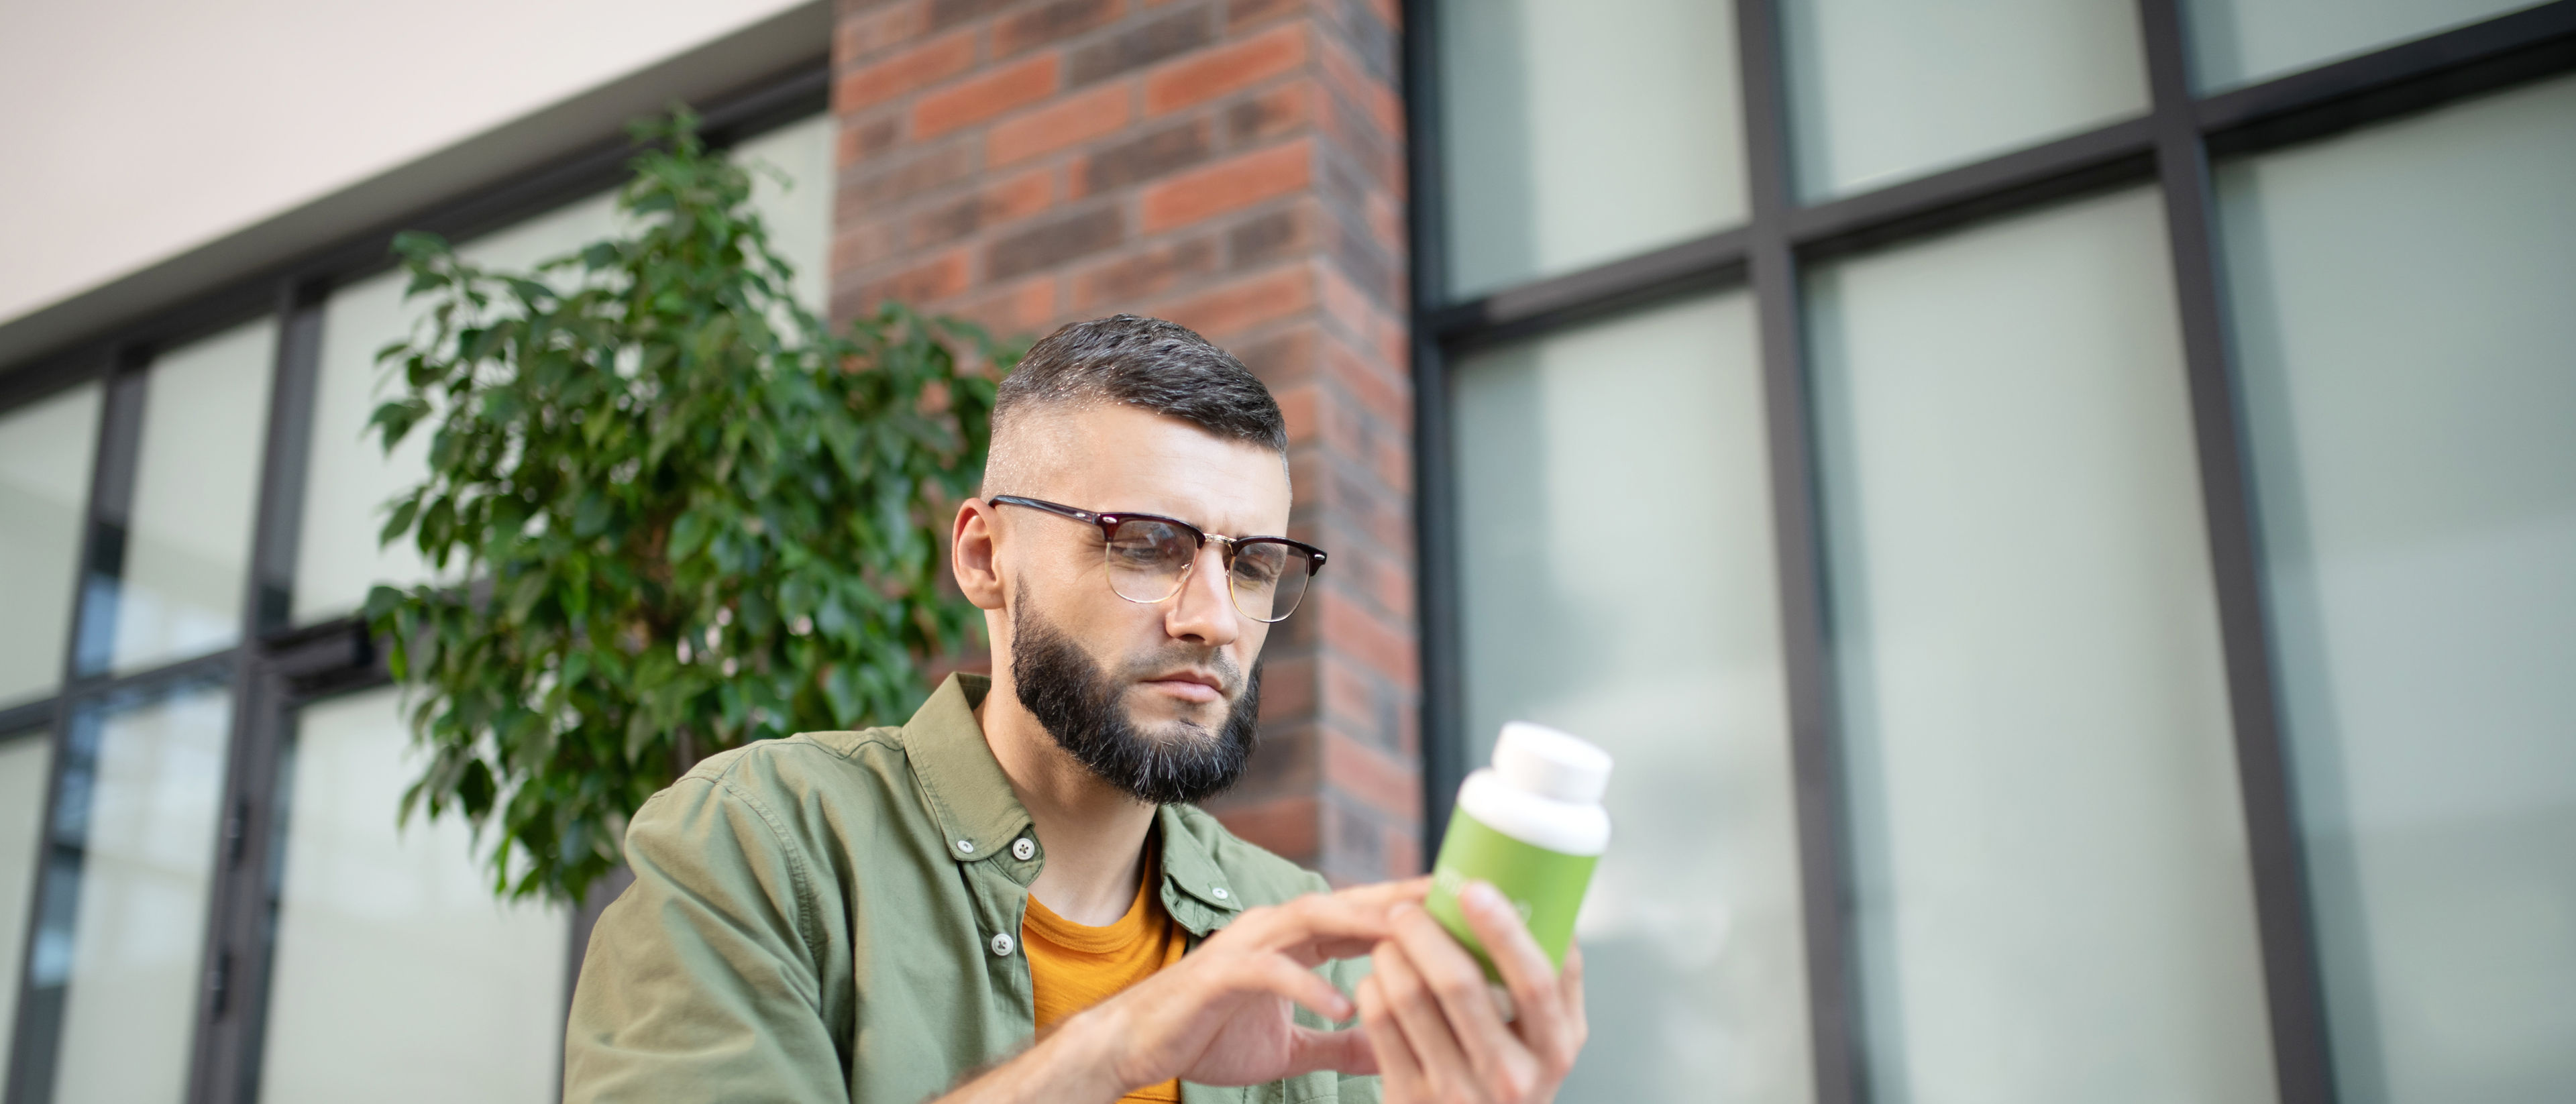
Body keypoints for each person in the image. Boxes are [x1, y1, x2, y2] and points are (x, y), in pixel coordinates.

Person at [563, 315, 1588, 1103]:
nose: (1215, 620)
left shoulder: (1300, 934)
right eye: (1146, 542)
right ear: (982, 555)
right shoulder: (759, 841)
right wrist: (1114, 1046)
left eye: (1254, 563)